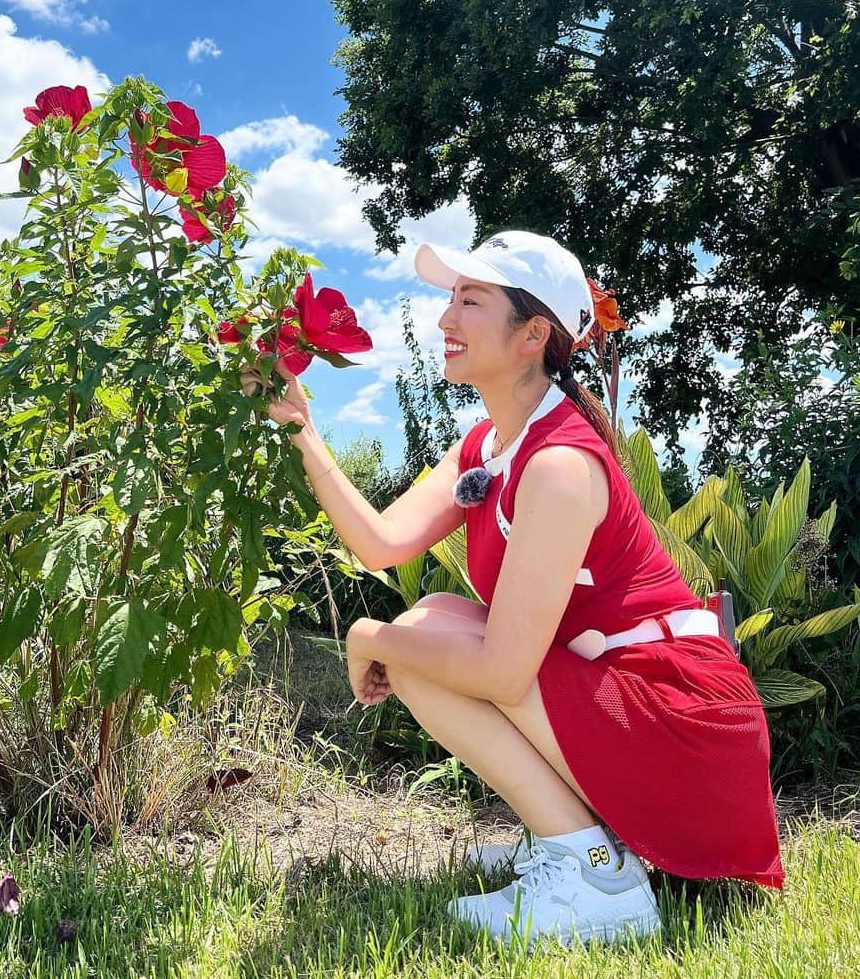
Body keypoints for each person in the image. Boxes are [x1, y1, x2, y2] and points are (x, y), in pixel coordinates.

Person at [260, 230, 784, 949]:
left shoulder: (560, 464)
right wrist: (304, 433)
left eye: (470, 300)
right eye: (450, 298)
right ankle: (577, 835)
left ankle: (595, 875)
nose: (446, 319)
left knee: (414, 643)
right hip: (629, 703)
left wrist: (370, 638)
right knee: (433, 614)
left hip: (684, 732)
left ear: (532, 334)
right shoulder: (488, 445)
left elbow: (504, 672)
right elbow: (381, 543)